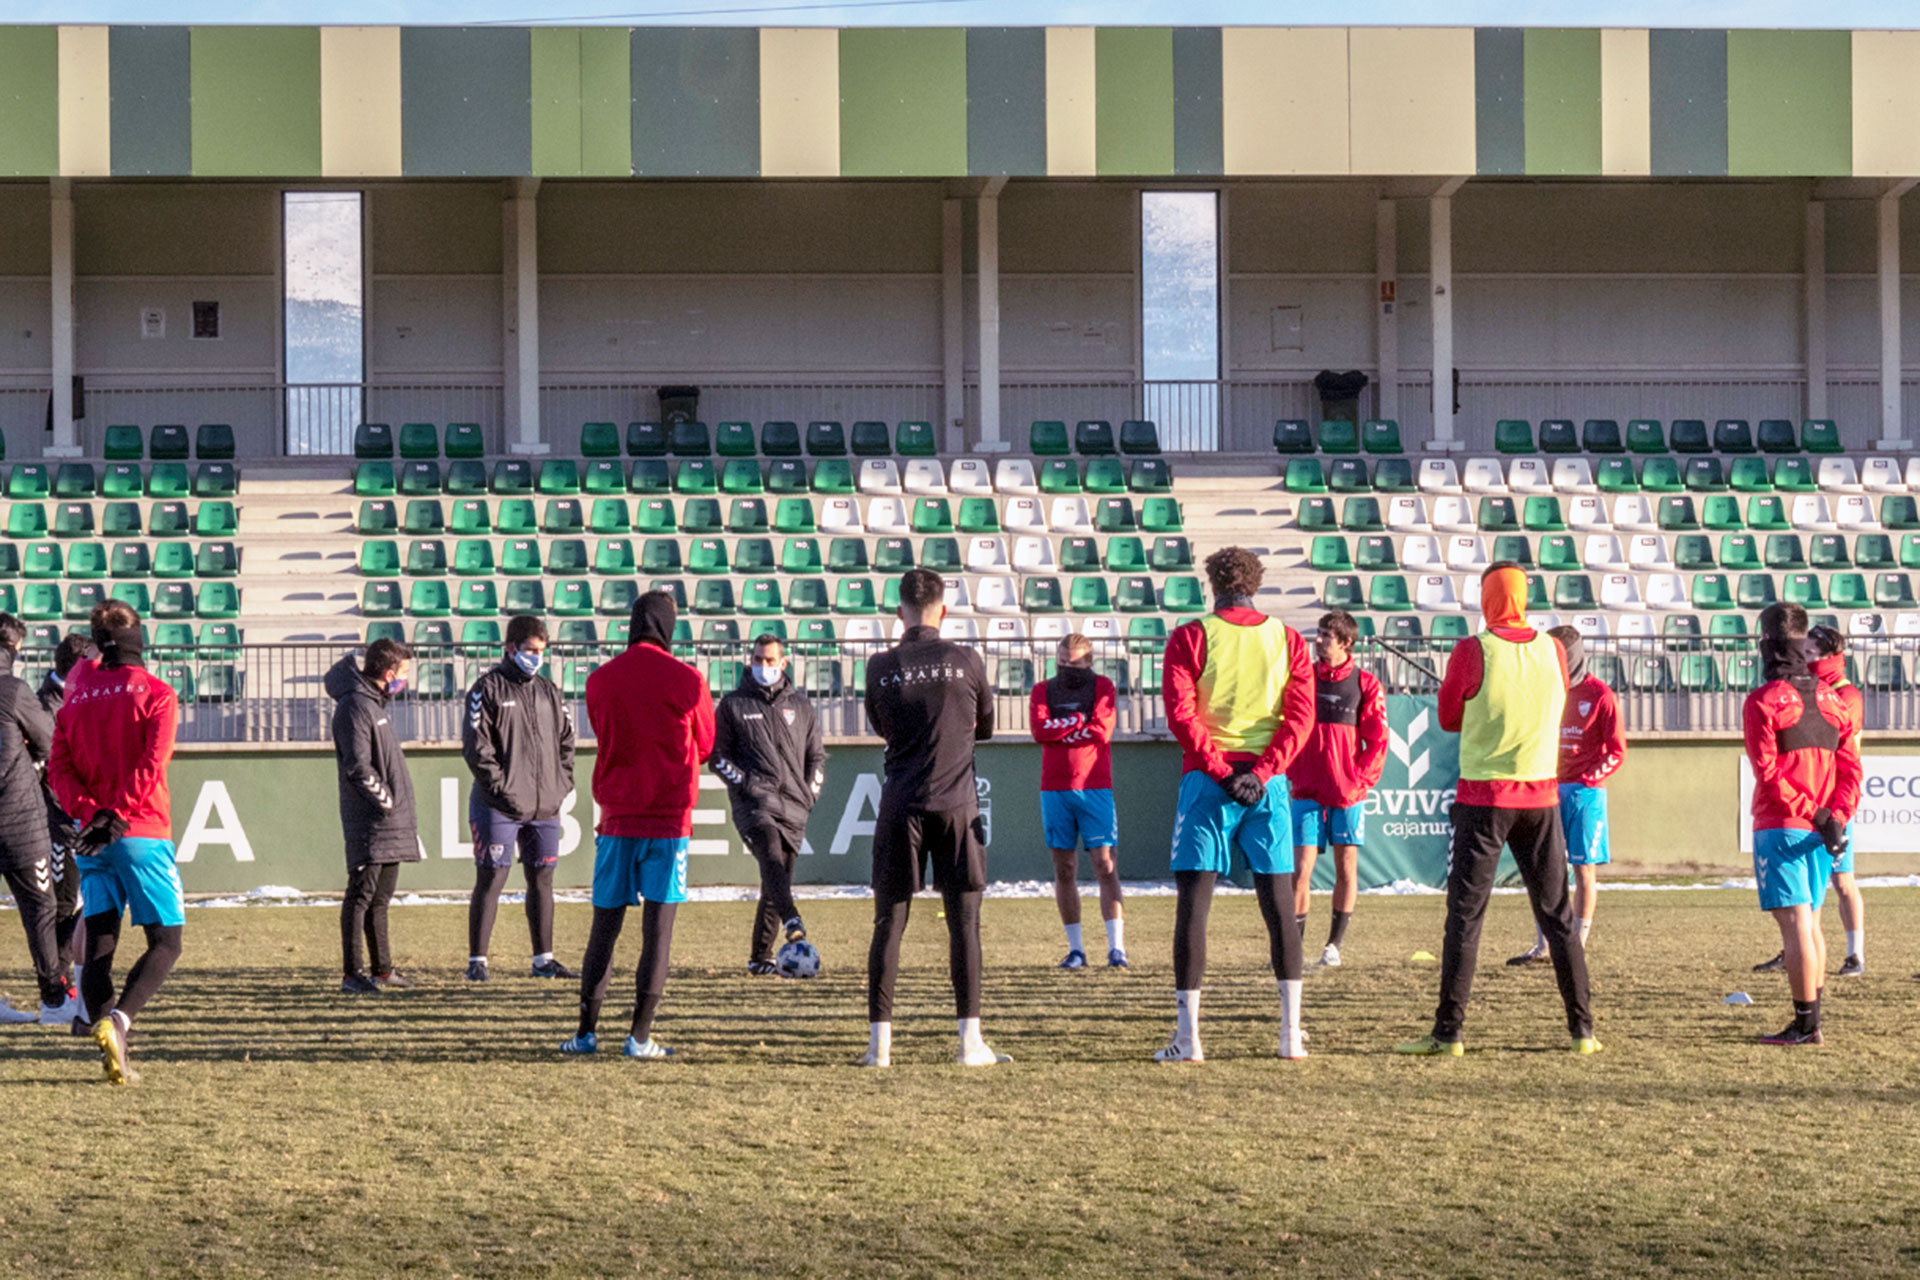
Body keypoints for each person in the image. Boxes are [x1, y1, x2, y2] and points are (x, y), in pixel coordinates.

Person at [1396, 562, 1597, 1057]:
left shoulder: (1473, 650)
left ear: (1487, 599)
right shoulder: (1552, 648)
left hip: (1484, 799)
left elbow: (1447, 717)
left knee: (1464, 918)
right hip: (1542, 799)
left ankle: (1449, 1033)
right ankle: (1583, 1031)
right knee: (1557, 917)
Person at [1158, 546, 1316, 1062]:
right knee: (1279, 906)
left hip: (1208, 780)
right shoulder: (1287, 638)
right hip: (1266, 786)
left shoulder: (1191, 635)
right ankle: (1291, 1035)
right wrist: (1265, 772)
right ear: (1258, 583)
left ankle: (1189, 1040)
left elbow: (1182, 716)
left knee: (1194, 908)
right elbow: (1300, 719)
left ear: (1212, 583)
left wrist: (1223, 771)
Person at [563, 591, 715, 1058]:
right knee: (658, 932)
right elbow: (706, 743)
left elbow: (605, 730)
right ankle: (640, 1037)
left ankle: (586, 1033)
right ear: (669, 626)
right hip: (669, 822)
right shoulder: (689, 680)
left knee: (603, 928)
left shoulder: (601, 680)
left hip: (616, 818)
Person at [860, 569, 1001, 1068]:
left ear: (900, 612)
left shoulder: (880, 666)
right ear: (944, 611)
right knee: (965, 925)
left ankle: (880, 1047)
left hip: (901, 802)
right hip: (957, 804)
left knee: (888, 924)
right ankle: (970, 1043)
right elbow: (985, 726)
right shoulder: (965, 659)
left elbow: (880, 725)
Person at [48, 601, 183, 1085]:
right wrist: (118, 814)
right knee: (166, 941)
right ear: (137, 639)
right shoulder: (157, 693)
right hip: (141, 830)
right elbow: (153, 763)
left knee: (101, 941)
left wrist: (90, 813)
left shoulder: (74, 699)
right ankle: (119, 1022)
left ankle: (111, 1047)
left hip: (93, 839)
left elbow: (57, 769)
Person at [1743, 604, 1860, 1046]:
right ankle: (1813, 1019)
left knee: (1795, 925)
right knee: (1810, 923)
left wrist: (1813, 813)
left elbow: (1768, 774)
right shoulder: (1834, 700)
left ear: (1768, 644)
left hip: (1783, 825)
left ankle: (1805, 1025)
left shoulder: (1763, 700)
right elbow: (1852, 771)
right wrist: (1836, 817)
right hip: (1820, 830)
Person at [462, 615, 578, 983]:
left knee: (542, 879)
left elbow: (567, 743)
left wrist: (561, 785)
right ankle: (477, 961)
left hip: (546, 807)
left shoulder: (550, 691)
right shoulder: (486, 689)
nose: (536, 657)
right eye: (530, 650)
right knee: (492, 878)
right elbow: (477, 750)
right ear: (511, 648)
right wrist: (503, 789)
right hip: (498, 807)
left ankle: (544, 960)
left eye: (541, 651)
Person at [1754, 625, 1866, 978]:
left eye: (1812, 652)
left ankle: (1854, 954)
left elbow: (1846, 756)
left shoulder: (1842, 696)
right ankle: (1798, 958)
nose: (1806, 658)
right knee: (1807, 908)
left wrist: (1835, 813)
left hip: (1829, 806)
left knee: (1842, 881)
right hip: (1815, 808)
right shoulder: (1807, 690)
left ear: (1829, 655)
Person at [1509, 626, 1626, 965]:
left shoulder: (1601, 695)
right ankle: (1543, 944)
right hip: (1546, 789)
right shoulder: (1546, 690)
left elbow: (1617, 750)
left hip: (1585, 796)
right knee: (1544, 870)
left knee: (1583, 869)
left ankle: (1577, 944)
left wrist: (1589, 779)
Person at [710, 633, 824, 975]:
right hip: (754, 805)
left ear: (783, 663)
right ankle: (793, 921)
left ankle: (760, 957)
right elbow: (716, 757)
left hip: (794, 805)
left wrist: (809, 794)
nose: (763, 666)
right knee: (771, 858)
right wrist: (745, 784)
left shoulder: (801, 706)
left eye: (769, 660)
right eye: (757, 660)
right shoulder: (732, 705)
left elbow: (815, 756)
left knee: (778, 879)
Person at [1284, 609, 1386, 968]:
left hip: (1347, 794)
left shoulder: (1365, 684)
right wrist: (1293, 770)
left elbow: (1377, 741)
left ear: (1345, 642)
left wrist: (1359, 781)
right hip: (1306, 790)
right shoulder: (1303, 679)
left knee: (1346, 867)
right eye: (1319, 633)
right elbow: (1288, 726)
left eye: (1327, 635)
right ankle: (1292, 948)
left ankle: (1333, 945)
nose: (1319, 640)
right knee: (1300, 868)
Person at [326, 638, 421, 995]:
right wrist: (387, 803)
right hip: (371, 822)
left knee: (380, 900)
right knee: (360, 897)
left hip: (389, 824)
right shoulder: (354, 707)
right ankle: (353, 974)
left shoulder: (373, 705)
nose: (406, 680)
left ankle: (382, 969)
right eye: (405, 673)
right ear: (388, 673)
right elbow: (359, 768)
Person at [1029, 633, 1126, 970]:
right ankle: (1076, 950)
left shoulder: (1102, 687)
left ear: (1089, 661)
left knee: (1105, 865)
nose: (1068, 668)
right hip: (1054, 789)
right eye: (1062, 662)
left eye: (1075, 663)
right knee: (1064, 868)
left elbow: (1102, 730)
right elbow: (1040, 731)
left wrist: (1062, 728)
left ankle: (1117, 948)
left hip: (1095, 786)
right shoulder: (1043, 690)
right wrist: (1076, 721)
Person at [0, 614, 70, 1026]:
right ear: (14, 648)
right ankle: (54, 1003)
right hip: (18, 821)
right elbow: (50, 739)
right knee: (40, 911)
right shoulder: (14, 690)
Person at [38, 634, 97, 1008]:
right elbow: (52, 770)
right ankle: (57, 991)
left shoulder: (75, 699)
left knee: (77, 904)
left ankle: (64, 983)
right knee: (62, 905)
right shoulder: (47, 707)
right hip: (58, 820)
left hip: (77, 817)